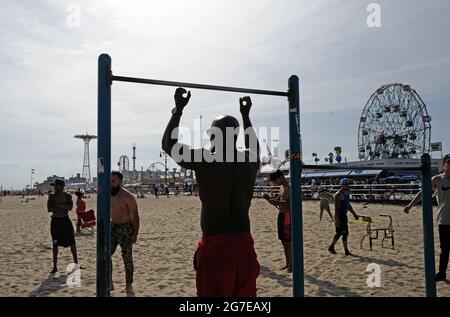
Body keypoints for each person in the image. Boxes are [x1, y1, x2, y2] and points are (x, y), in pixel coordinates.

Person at [162, 88, 261, 297]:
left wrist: (178, 110)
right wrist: (246, 116)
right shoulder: (249, 160)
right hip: (244, 244)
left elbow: (169, 145)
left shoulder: (206, 159)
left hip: (216, 246)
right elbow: (255, 147)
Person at [404, 154, 450, 282]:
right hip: (444, 219)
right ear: (444, 165)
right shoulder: (437, 179)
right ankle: (441, 273)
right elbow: (423, 191)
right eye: (449, 163)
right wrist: (410, 205)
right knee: (444, 249)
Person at [110, 171, 140, 295]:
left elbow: (136, 216)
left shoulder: (128, 197)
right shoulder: (107, 194)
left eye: (113, 181)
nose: (111, 184)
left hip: (125, 228)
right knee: (106, 254)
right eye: (109, 181)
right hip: (113, 226)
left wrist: (135, 234)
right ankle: (109, 280)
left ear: (120, 182)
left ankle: (129, 285)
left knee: (127, 258)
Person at [47, 179, 78, 273]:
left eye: (56, 186)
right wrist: (63, 206)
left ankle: (76, 264)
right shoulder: (52, 196)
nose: (55, 188)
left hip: (65, 220)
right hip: (55, 222)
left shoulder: (67, 196)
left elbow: (70, 207)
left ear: (61, 186)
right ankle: (55, 267)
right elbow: (49, 209)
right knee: (55, 244)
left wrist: (57, 206)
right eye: (54, 186)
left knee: (72, 242)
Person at [264, 170, 292, 272]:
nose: (274, 183)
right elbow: (279, 201)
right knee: (284, 241)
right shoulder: (281, 188)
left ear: (280, 177)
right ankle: (288, 263)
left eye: (275, 180)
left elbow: (287, 204)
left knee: (288, 242)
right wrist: (271, 200)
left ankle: (291, 265)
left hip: (287, 215)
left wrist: (275, 201)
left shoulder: (288, 188)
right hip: (282, 214)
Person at [328, 178, 359, 256]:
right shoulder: (339, 194)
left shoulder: (347, 193)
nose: (348, 185)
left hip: (344, 215)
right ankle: (336, 248)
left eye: (348, 184)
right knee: (340, 232)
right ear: (342, 185)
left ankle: (343, 250)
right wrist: (337, 220)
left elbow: (348, 205)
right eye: (346, 184)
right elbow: (337, 209)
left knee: (345, 233)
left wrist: (354, 214)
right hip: (340, 216)